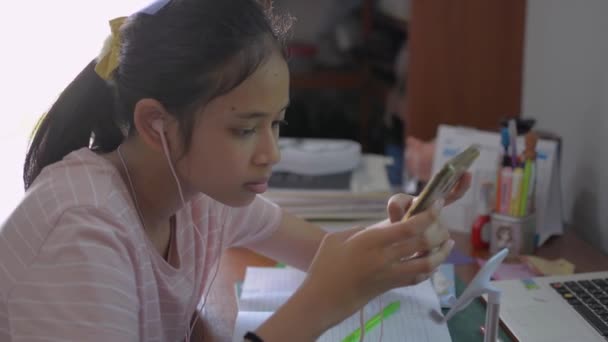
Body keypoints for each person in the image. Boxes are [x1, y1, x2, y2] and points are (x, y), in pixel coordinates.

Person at [0, 0, 471, 341]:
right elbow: (328, 276)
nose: (272, 153)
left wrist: (401, 233)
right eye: (245, 130)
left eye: (276, 124)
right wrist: (320, 305)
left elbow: (324, 251)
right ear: (155, 124)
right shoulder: (81, 231)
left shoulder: (197, 194)